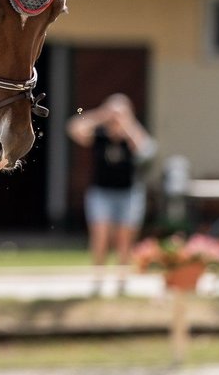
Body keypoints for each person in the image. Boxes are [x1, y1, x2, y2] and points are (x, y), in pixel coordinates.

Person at [66, 94, 157, 292]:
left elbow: (146, 151)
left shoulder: (131, 135)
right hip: (101, 192)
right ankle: (98, 279)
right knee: (100, 235)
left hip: (128, 193)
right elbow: (74, 128)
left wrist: (128, 124)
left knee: (124, 238)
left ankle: (122, 282)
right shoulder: (100, 134)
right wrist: (101, 115)